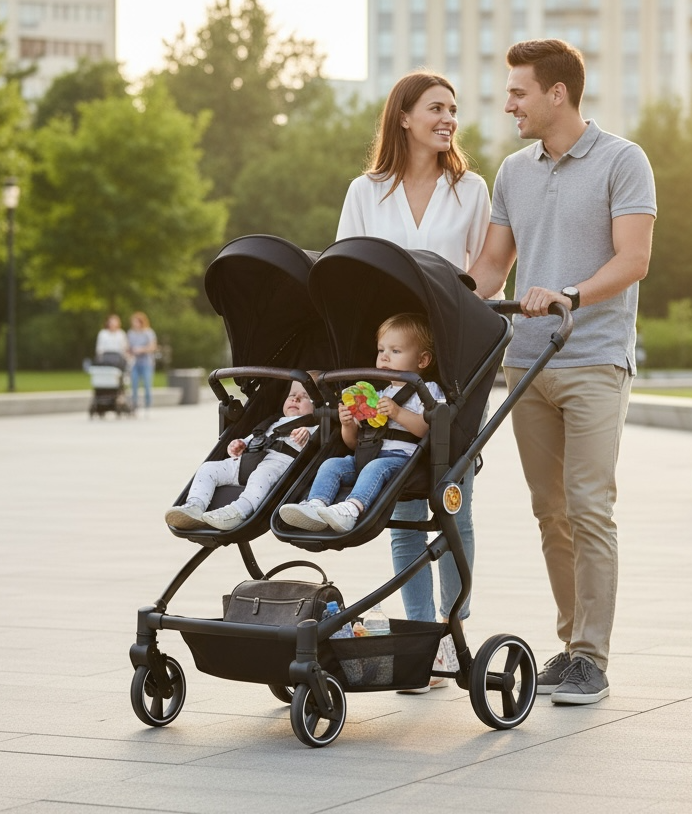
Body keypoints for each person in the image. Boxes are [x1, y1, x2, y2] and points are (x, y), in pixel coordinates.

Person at [468, 39, 656, 705]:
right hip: (528, 362)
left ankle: (592, 660)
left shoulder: (623, 160)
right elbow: (493, 266)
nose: (508, 102)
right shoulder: (513, 172)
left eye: (518, 91)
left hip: (594, 358)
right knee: (550, 511)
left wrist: (570, 293)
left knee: (588, 504)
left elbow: (633, 259)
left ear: (557, 93)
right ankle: (571, 642)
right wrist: (444, 295)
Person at [336, 70, 490, 685]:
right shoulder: (366, 191)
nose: (448, 117)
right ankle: (418, 639)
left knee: (454, 502)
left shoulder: (470, 188)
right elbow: (345, 272)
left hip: (452, 363)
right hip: (388, 363)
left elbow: (485, 279)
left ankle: (454, 631)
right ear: (403, 117)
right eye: (436, 108)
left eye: (453, 108)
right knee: (401, 502)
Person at [279, 313, 444, 534]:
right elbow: (353, 444)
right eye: (381, 350)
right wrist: (349, 425)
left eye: (395, 351)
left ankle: (352, 509)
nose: (384, 357)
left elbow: (428, 429)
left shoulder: (427, 390)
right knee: (332, 465)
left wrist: (397, 412)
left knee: (376, 468)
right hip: (366, 457)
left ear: (422, 360)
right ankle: (315, 506)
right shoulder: (375, 394)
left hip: (401, 461)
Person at [165, 381, 316, 532]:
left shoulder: (313, 425)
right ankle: (195, 506)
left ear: (317, 407)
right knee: (208, 468)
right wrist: (240, 444)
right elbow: (256, 437)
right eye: (291, 395)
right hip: (248, 460)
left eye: (305, 397)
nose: (295, 399)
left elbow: (316, 444)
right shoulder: (273, 421)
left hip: (277, 463)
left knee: (261, 476)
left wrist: (307, 435)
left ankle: (239, 510)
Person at [127, 311, 157, 413]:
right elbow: (128, 347)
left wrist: (141, 349)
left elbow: (153, 347)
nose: (135, 324)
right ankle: (134, 405)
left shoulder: (148, 332)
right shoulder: (130, 333)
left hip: (146, 363)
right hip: (134, 363)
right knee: (134, 385)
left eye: (136, 322)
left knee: (147, 385)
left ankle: (148, 406)